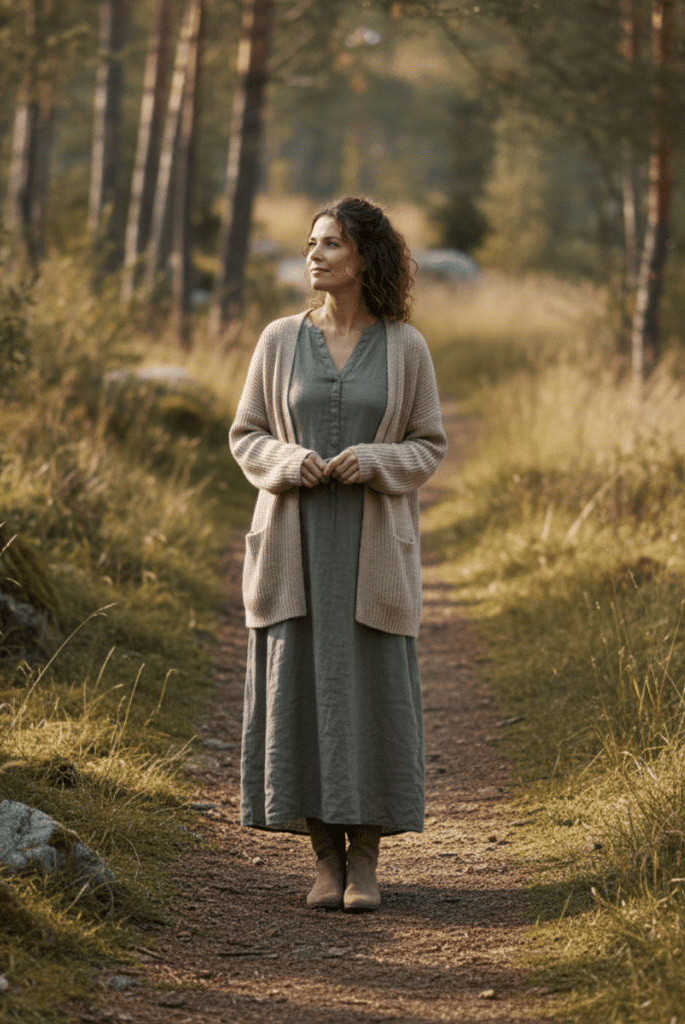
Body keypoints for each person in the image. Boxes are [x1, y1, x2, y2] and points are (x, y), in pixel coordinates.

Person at [229, 196, 447, 912]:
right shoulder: (277, 340)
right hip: (292, 552)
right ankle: (325, 860)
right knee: (302, 697)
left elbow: (428, 444)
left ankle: (368, 864)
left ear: (365, 259)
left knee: (371, 696)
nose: (313, 256)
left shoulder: (406, 347)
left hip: (371, 552)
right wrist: (289, 462)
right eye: (311, 244)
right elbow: (247, 433)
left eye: (330, 245)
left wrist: (377, 460)